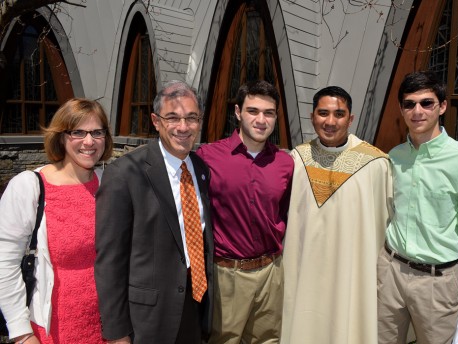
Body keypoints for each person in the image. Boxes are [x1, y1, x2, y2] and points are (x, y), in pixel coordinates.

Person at [95, 81, 214, 344]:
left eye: (191, 118)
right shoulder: (125, 174)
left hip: (195, 308)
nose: (183, 127)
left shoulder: (201, 169)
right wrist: (117, 334)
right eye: (172, 117)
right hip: (147, 319)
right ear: (156, 121)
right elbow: (110, 262)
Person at [377, 71, 458, 344]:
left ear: (442, 106)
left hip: (437, 282)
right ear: (401, 109)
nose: (417, 111)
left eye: (426, 103)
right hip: (390, 272)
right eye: (409, 103)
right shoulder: (393, 157)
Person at [281, 86, 393, 344]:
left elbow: (399, 215)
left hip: (351, 274)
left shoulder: (375, 164)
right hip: (304, 272)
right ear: (312, 116)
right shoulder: (297, 159)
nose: (330, 122)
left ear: (350, 119)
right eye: (323, 113)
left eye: (339, 114)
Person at [0, 98, 113, 344]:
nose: (89, 141)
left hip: (106, 327)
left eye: (97, 132)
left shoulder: (110, 183)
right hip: (50, 329)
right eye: (78, 132)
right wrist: (21, 332)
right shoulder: (29, 187)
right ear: (61, 137)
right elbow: (4, 262)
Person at [196, 80, 293, 343]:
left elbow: (284, 213)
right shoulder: (207, 157)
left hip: (271, 272)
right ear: (238, 112)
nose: (261, 120)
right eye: (253, 111)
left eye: (269, 113)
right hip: (228, 275)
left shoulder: (285, 163)